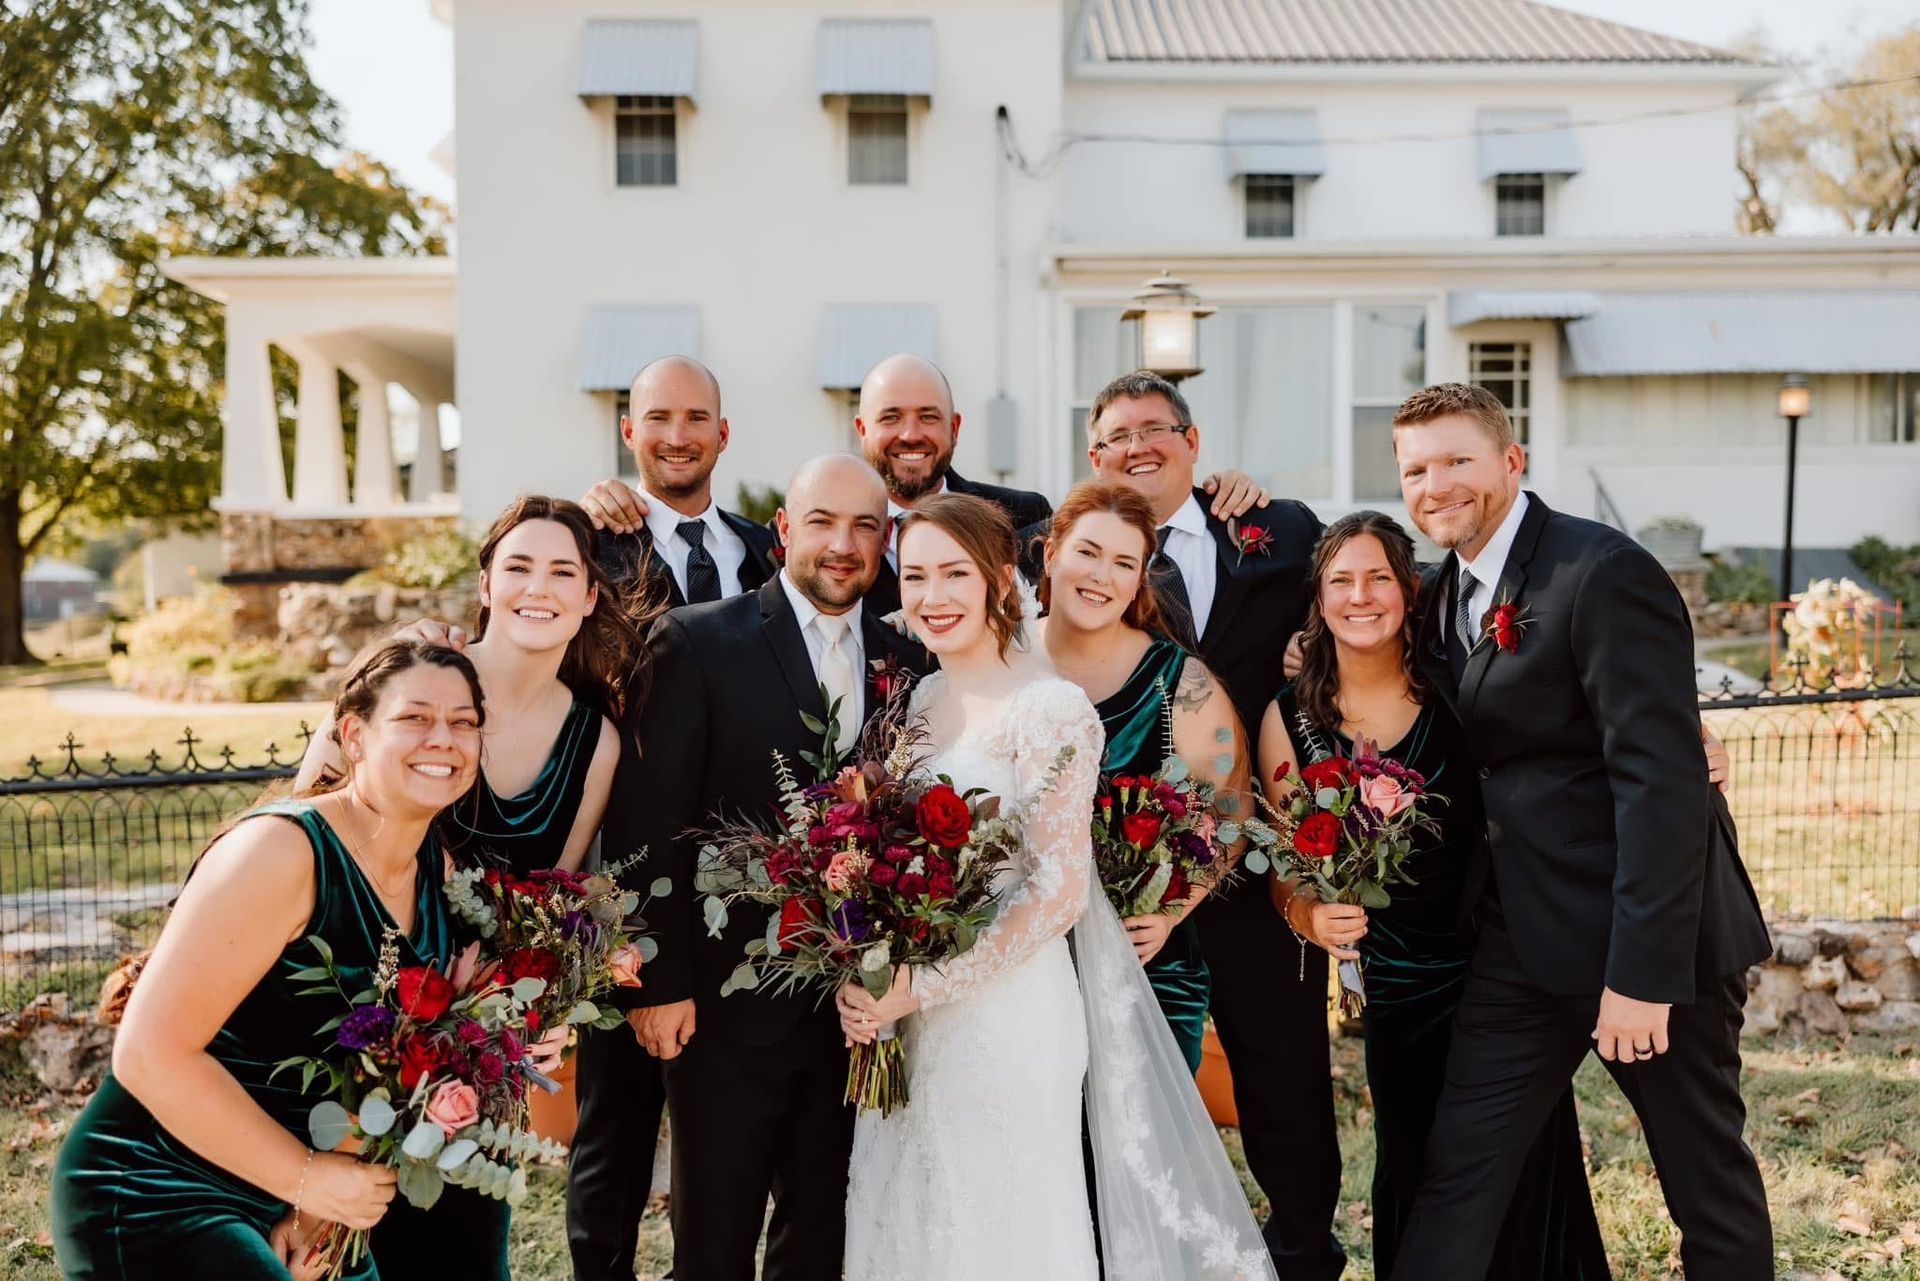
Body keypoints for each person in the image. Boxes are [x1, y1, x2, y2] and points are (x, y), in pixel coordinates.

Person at [1384, 384, 1773, 1281]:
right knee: (1461, 1170)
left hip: (1647, 947)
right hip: (1521, 941)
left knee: (1703, 1179)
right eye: (1415, 469)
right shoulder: (1443, 594)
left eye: (1456, 461)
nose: (1435, 484)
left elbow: (1659, 783)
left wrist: (1640, 976)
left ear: (1511, 462)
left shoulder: (1601, 572)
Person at [838, 493, 1275, 1281]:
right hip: (912, 1015)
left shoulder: (1052, 708)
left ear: (1001, 579)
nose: (932, 596)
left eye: (954, 574)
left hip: (1006, 1017)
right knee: (912, 1215)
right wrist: (866, 977)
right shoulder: (922, 702)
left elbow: (1057, 892)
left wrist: (921, 984)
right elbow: (886, 860)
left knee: (1002, 1234)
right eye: (915, 576)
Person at [52, 640, 483, 1281]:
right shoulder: (282, 851)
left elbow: (388, 1065)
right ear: (355, 736)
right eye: (415, 717)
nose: (443, 738)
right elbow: (148, 1053)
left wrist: (315, 1212)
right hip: (159, 1182)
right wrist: (307, 1179)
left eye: (465, 722)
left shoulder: (434, 868)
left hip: (296, 1189)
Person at [1037, 369, 1339, 1276]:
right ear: (1093, 457)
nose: (1138, 448)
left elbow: (1371, 612)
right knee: (1110, 1089)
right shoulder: (1061, 552)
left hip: (1254, 867)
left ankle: (1302, 1248)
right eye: (1117, 437)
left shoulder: (1281, 532)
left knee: (1281, 1072)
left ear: (1194, 442)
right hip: (1115, 888)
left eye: (1157, 429)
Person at [1257, 511, 1612, 1281]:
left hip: (1504, 961)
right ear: (1318, 600)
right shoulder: (1290, 720)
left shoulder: (1461, 686)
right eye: (1341, 581)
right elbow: (1286, 863)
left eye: (1379, 576)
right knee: (1419, 1157)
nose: (1360, 596)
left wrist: (1696, 737)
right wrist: (1309, 914)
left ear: (1408, 589)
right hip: (1397, 985)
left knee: (1522, 1156)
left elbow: (1571, 738)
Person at [295, 497, 632, 1279]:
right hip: (343, 1001)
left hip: (468, 1050)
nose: (536, 587)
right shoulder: (412, 672)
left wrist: (548, 1010)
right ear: (485, 583)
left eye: (561, 570)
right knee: (320, 1237)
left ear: (588, 596)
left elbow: (557, 908)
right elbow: (304, 814)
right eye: (517, 566)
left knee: (458, 1251)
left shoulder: (596, 740)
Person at [615, 455, 929, 1281]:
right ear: (785, 530)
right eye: (822, 521)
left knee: (822, 1232)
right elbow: (650, 819)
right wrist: (656, 979)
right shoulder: (695, 640)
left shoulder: (908, 659)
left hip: (856, 1009)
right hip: (722, 1006)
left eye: (865, 525)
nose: (843, 543)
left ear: (885, 540)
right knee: (713, 1239)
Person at [1036, 480, 1249, 1072]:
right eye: (1087, 552)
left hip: (1147, 966)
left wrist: (1171, 911)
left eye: (1124, 562)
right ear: (1052, 554)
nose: (1102, 575)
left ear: (1139, 580)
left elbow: (1233, 812)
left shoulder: (1179, 682)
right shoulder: (1003, 660)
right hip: (1020, 970)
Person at [580, 354, 779, 608]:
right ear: (629, 432)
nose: (677, 439)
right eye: (658, 418)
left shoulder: (765, 550)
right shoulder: (591, 546)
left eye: (696, 418)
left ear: (722, 434)